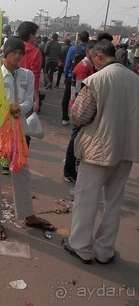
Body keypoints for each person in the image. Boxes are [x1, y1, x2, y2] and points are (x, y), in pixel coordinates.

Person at [62, 40, 139, 264]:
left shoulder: (97, 80)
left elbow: (80, 115)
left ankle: (81, 246)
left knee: (86, 199)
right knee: (114, 202)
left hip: (98, 149)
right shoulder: (135, 80)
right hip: (127, 150)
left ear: (98, 57)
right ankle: (105, 250)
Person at [0, 36, 55, 240]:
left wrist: (17, 109)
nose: (19, 56)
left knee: (21, 171)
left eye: (21, 53)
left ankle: (28, 215)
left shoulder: (28, 75)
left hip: (18, 130)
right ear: (6, 53)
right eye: (15, 52)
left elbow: (29, 102)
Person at [63, 40, 95, 184]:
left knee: (78, 139)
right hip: (79, 109)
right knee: (75, 139)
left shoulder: (89, 66)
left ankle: (72, 167)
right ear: (89, 51)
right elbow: (78, 92)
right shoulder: (83, 67)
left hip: (81, 108)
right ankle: (69, 170)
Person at [61, 31, 89, 126]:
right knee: (83, 98)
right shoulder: (89, 49)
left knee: (67, 97)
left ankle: (65, 118)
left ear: (79, 38)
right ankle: (80, 118)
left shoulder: (73, 48)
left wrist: (66, 74)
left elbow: (68, 62)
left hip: (72, 76)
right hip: (86, 78)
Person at [17, 21, 42, 113]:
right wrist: (36, 100)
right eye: (35, 34)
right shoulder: (35, 53)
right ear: (31, 35)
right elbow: (35, 77)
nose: (36, 36)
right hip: (27, 93)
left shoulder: (14, 49)